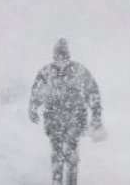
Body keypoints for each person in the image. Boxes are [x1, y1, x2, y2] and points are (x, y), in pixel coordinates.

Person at [29, 38, 103, 185]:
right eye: (58, 55)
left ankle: (68, 182)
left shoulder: (74, 71)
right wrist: (33, 107)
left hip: (72, 120)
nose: (61, 58)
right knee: (59, 156)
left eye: (63, 55)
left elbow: (92, 91)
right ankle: (59, 182)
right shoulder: (49, 72)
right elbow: (36, 92)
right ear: (54, 55)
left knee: (69, 156)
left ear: (67, 55)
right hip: (56, 120)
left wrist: (96, 115)